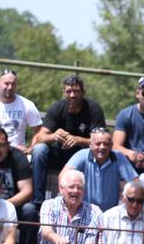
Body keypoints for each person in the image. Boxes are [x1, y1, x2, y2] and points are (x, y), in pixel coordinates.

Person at [30, 75, 106, 205]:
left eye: (76, 91)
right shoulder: (57, 108)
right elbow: (39, 138)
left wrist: (78, 140)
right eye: (69, 91)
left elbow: (102, 141)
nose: (72, 95)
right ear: (63, 92)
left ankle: (89, 205)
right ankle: (38, 202)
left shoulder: (93, 109)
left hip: (82, 157)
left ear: (83, 92)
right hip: (58, 154)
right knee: (39, 150)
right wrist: (53, 136)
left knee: (98, 152)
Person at [62, 128, 139, 211]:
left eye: (106, 144)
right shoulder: (82, 155)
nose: (102, 147)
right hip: (84, 211)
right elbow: (63, 176)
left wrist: (127, 198)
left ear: (111, 145)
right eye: (98, 144)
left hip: (110, 213)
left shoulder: (118, 157)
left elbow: (136, 182)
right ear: (90, 145)